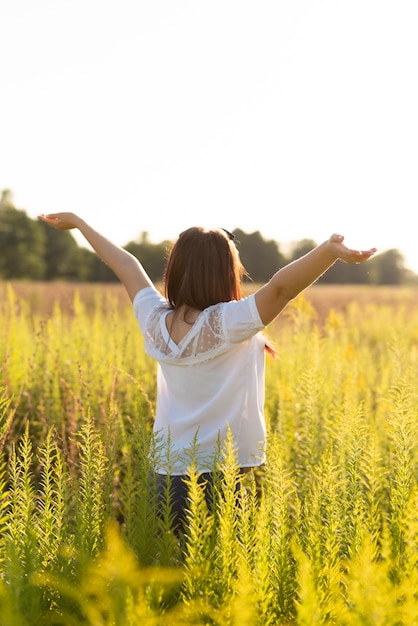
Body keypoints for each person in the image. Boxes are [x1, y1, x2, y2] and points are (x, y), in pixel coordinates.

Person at [38, 213, 376, 531]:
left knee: (175, 574)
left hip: (164, 476)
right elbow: (280, 289)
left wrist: (80, 224)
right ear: (226, 272)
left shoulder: (153, 319)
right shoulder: (227, 323)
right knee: (219, 582)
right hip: (219, 476)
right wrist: (329, 251)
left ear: (176, 269)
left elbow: (126, 264)